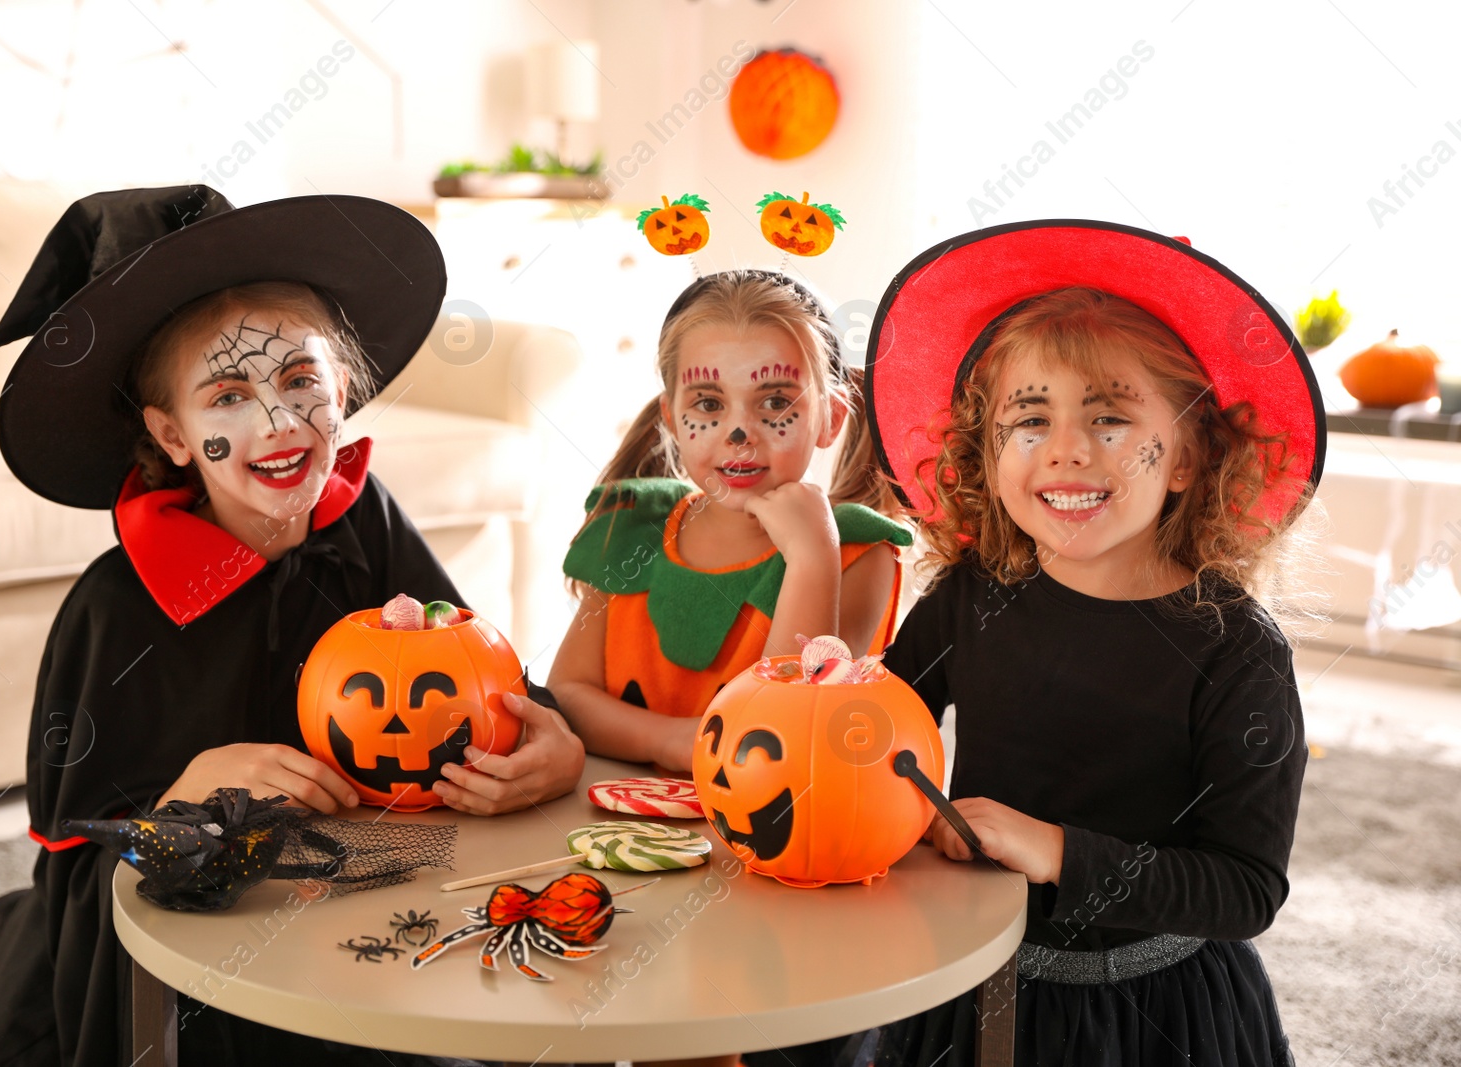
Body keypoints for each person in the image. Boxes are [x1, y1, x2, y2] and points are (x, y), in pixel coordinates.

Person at [0, 186, 583, 1066]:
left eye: (298, 381)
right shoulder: (112, 609)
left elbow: (474, 674)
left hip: (350, 912)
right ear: (170, 433)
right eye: (230, 395)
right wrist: (184, 801)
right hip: (202, 958)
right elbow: (81, 873)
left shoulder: (364, 522)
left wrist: (547, 741)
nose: (278, 422)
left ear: (344, 387)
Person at [852, 224, 1326, 1067]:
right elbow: (873, 738)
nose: (1066, 446)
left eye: (1109, 417)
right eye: (1029, 418)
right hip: (975, 979)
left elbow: (1246, 886)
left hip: (1157, 1010)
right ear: (986, 454)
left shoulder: (1237, 652)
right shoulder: (972, 595)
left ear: (1188, 456)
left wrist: (1055, 848)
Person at [548, 269, 913, 772]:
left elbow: (788, 729)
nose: (739, 431)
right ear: (673, 418)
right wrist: (672, 742)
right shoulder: (633, 522)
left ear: (830, 418)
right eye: (709, 404)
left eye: (776, 403)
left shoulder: (855, 552)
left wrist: (811, 560)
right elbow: (568, 693)